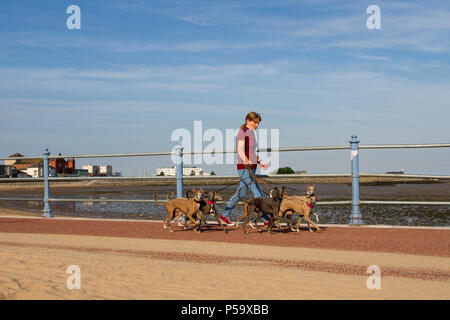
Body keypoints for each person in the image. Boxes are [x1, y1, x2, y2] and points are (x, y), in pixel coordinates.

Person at [220, 111, 269, 226]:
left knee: (240, 194)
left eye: (258, 123)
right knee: (258, 192)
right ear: (248, 120)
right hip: (244, 167)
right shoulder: (242, 132)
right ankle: (266, 219)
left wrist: (259, 160)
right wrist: (245, 160)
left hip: (252, 166)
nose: (256, 125)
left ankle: (224, 215)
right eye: (255, 122)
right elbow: (240, 149)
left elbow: (251, 150)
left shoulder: (251, 133)